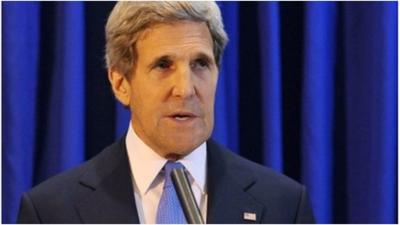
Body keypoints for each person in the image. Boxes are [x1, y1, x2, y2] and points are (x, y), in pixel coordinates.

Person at [17, 2, 315, 223]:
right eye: (163, 65)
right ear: (120, 82)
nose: (185, 89)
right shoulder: (51, 211)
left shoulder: (284, 205)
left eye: (200, 64)